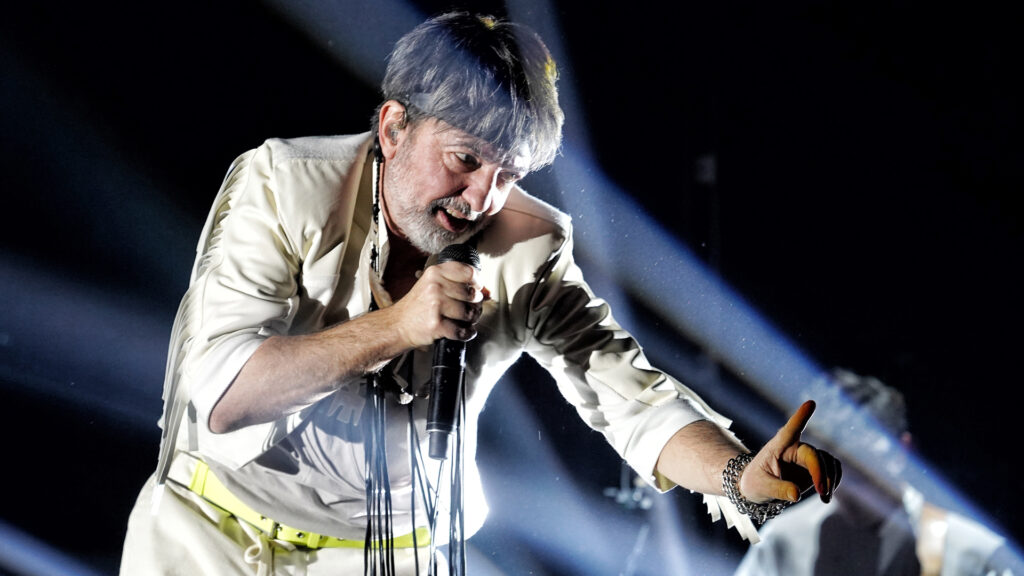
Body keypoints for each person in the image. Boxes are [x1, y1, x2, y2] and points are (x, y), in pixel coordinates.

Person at [119, 12, 841, 575]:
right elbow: (222, 398)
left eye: (508, 173)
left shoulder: (528, 245)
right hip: (205, 538)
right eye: (465, 160)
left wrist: (737, 477)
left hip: (388, 554)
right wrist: (397, 326)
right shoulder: (281, 184)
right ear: (394, 125)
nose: (481, 198)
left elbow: (629, 395)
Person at [733, 368, 1023, 576]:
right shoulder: (782, 541)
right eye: (828, 461)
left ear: (902, 451)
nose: (842, 482)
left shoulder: (971, 551)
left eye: (860, 462)